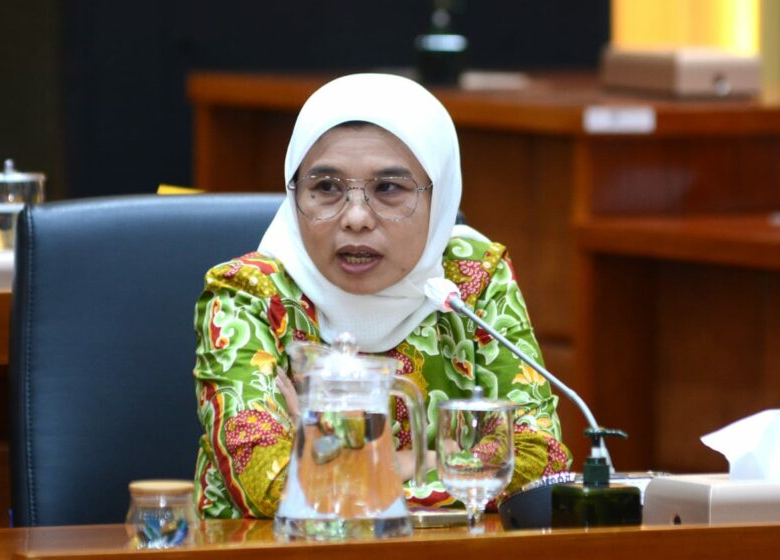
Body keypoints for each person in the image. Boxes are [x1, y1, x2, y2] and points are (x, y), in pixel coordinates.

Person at [193, 73, 571, 519]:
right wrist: (424, 464)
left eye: (389, 189)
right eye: (326, 187)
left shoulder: (471, 281)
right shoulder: (250, 296)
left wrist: (333, 463)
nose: (356, 217)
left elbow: (540, 460)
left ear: (440, 196)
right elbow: (269, 484)